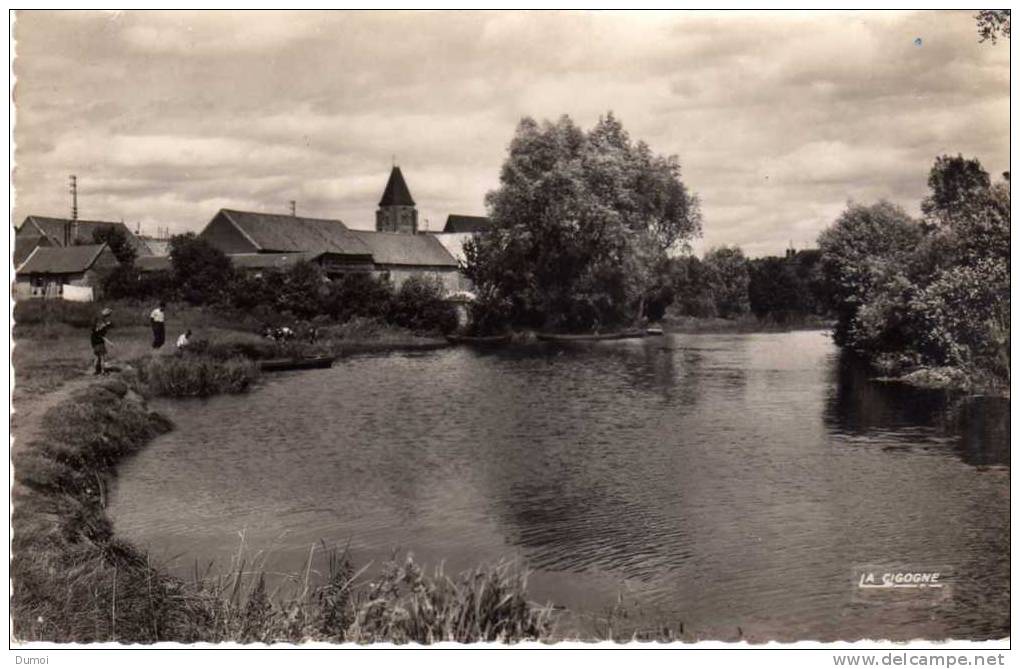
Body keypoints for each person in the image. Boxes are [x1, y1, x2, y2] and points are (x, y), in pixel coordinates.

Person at [90, 308, 113, 375]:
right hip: (99, 342)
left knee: (97, 357)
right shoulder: (102, 323)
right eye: (108, 314)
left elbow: (95, 330)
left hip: (94, 341)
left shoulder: (97, 320)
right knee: (102, 357)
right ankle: (103, 371)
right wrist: (109, 342)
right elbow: (102, 335)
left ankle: (96, 371)